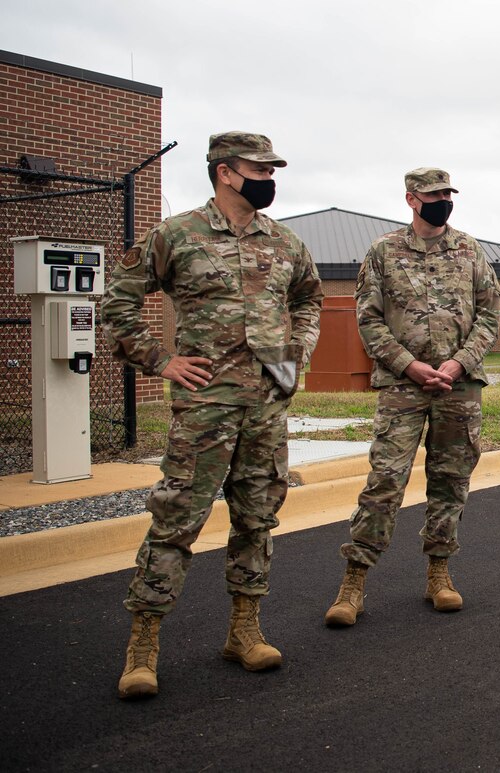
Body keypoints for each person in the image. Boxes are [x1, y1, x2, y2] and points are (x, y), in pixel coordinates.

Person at [102, 131, 324, 699]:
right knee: (177, 520)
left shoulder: (285, 242)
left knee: (257, 519)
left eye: (273, 169)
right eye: (260, 169)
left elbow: (309, 300)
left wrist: (294, 356)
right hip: (205, 408)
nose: (270, 179)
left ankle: (245, 632)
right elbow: (118, 304)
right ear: (226, 172)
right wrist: (162, 359)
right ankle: (143, 647)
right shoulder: (177, 235)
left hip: (266, 407)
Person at [324, 168, 500, 625]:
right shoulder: (383, 252)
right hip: (403, 387)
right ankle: (354, 583)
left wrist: (459, 362)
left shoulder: (470, 250)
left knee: (450, 481)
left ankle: (439, 574)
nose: (443, 200)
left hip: (458, 386)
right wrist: (408, 364)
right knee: (385, 481)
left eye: (447, 193)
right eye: (433, 194)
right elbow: (369, 319)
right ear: (411, 199)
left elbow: (489, 315)